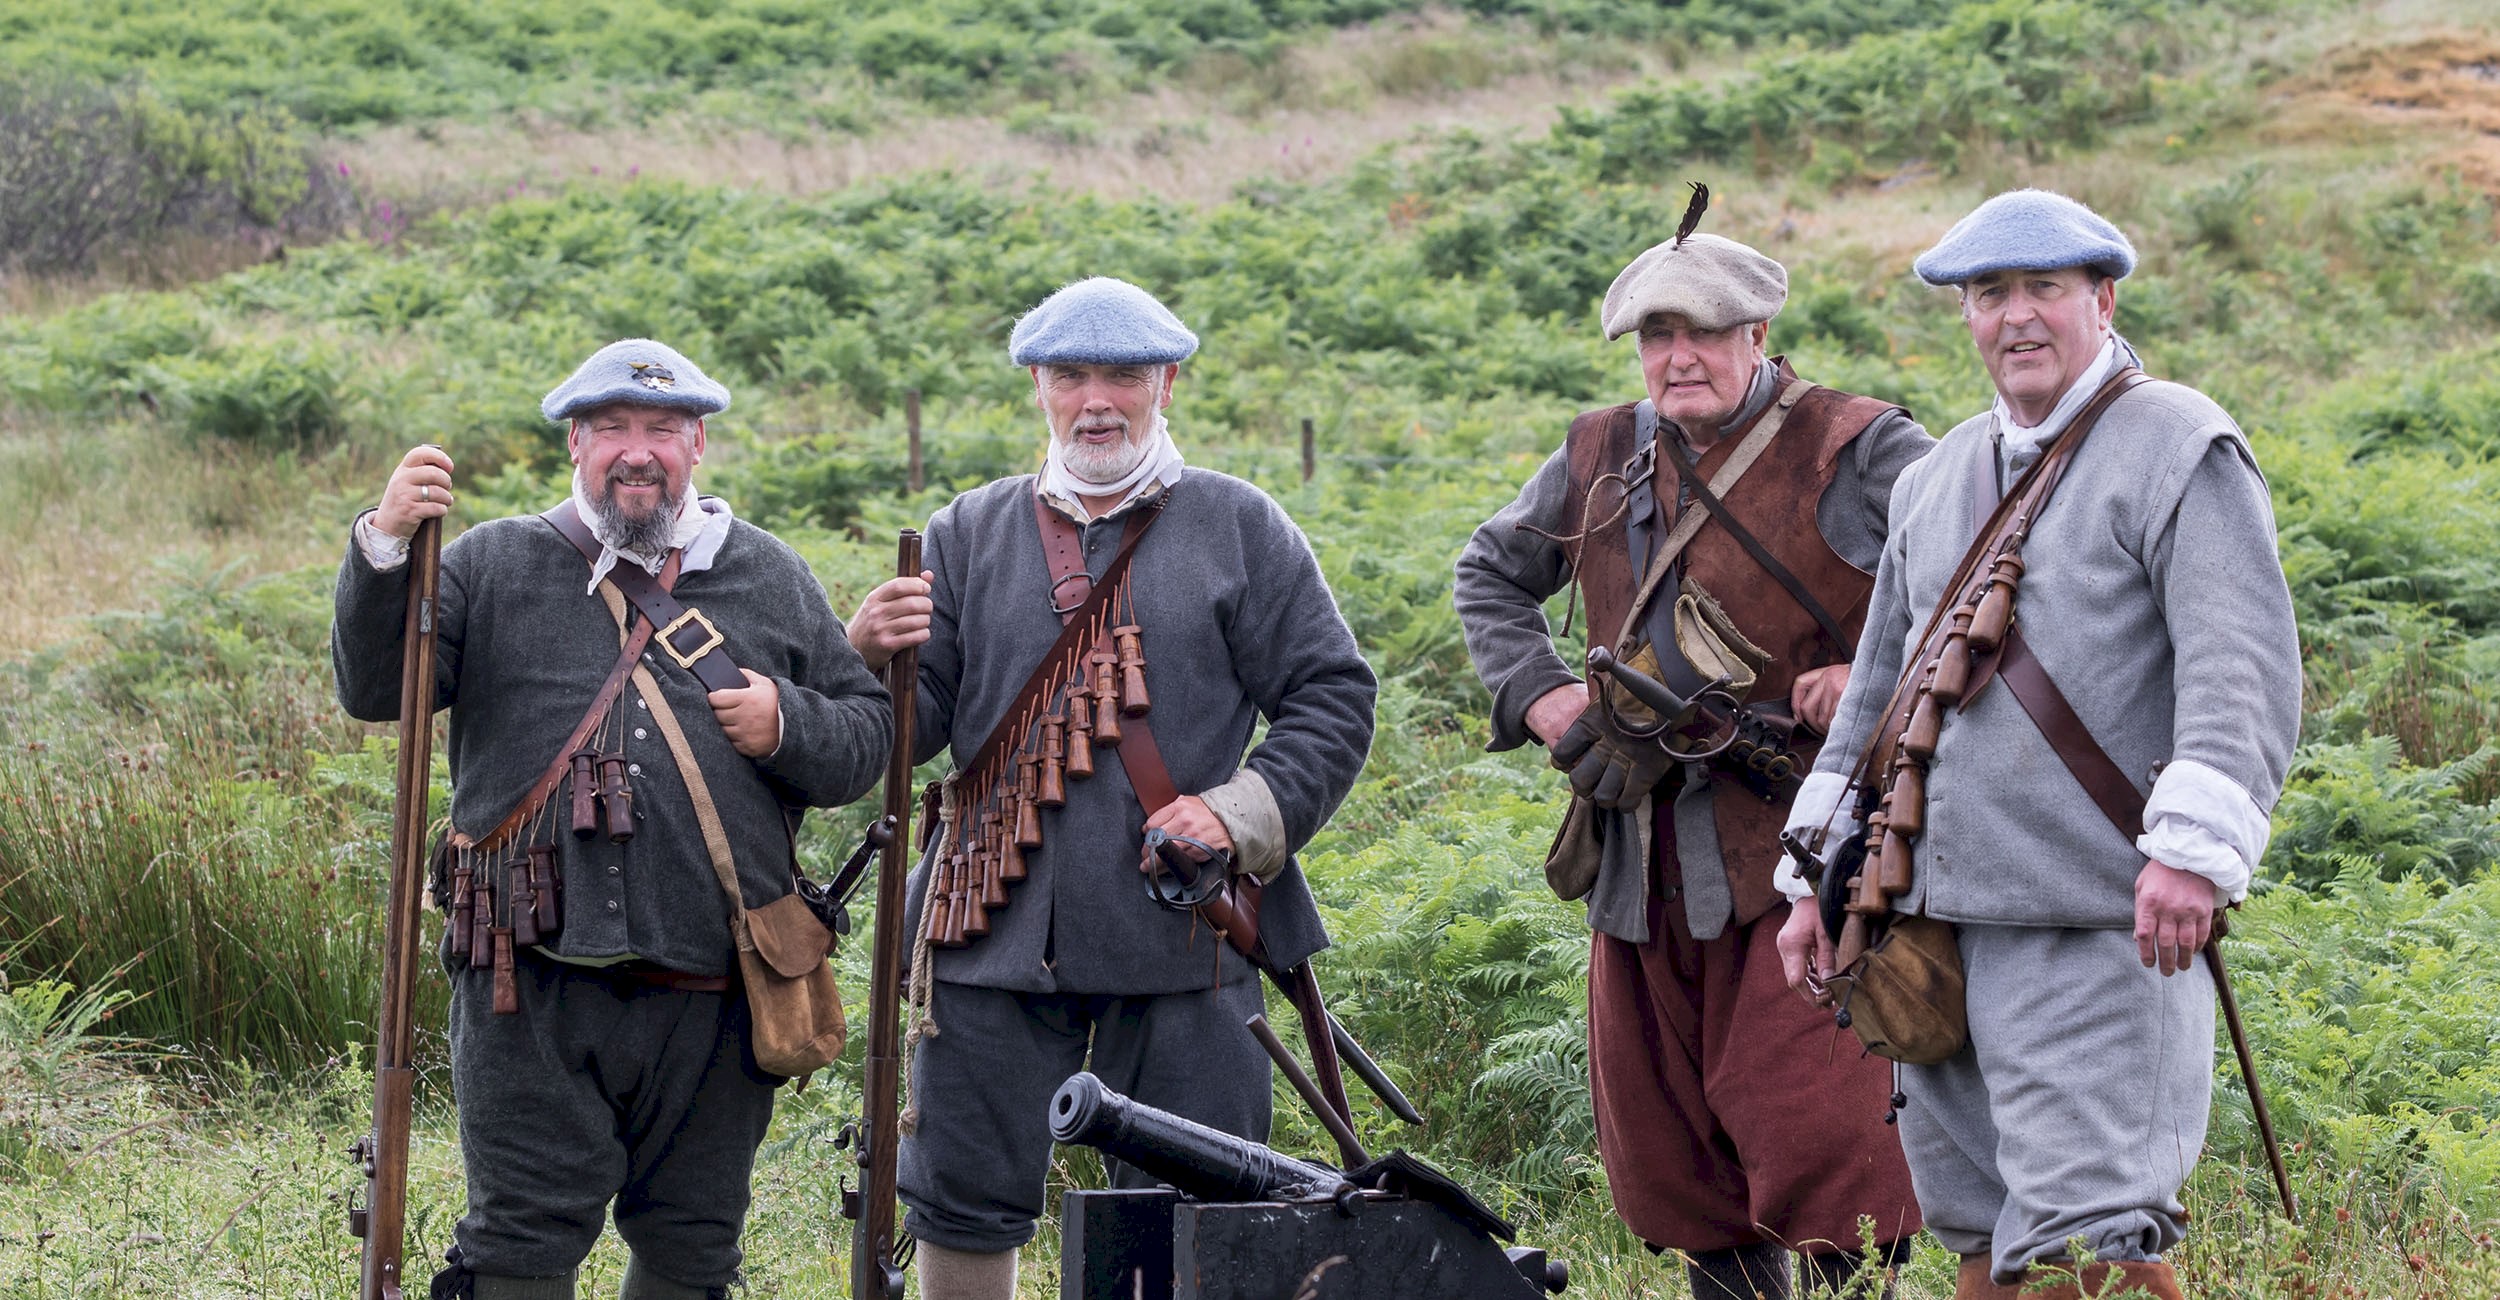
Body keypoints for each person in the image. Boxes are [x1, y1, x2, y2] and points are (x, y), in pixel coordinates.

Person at [1775, 190, 2303, 1300]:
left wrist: (2191, 854)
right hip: (1932, 930)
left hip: (2096, 926)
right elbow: (1876, 688)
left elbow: (2238, 667)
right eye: (1988, 295)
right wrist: (1811, 881)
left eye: (2042, 290)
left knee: (2088, 1237)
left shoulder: (2176, 443)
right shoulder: (1939, 474)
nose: (2015, 316)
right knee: (1983, 1235)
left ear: (2099, 299)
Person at [845, 277, 1377, 1300]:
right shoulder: (962, 531)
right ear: (1038, 386)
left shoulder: (1239, 525)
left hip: (1181, 930)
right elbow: (914, 733)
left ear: (1164, 382)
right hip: (986, 931)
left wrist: (1236, 813)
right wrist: (867, 658)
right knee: (957, 1194)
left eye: (1122, 375)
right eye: (1071, 375)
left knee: (1189, 1210)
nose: (1097, 399)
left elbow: (1331, 695)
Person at [332, 339, 893, 1300]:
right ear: (576, 447)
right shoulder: (492, 562)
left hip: (716, 988)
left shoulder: (768, 574)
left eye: (664, 431)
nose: (639, 452)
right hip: (525, 990)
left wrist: (782, 722)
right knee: (516, 1246)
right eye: (614, 430)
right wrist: (384, 543)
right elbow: (379, 687)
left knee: (692, 1249)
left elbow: (866, 737)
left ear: (699, 444)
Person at [1454, 216, 1930, 1298]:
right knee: (1674, 1153)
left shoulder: (1858, 447)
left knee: (1828, 1144)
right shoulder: (1598, 452)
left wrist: (1873, 679)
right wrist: (1545, 699)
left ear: (1756, 331)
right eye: (1656, 335)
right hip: (1640, 858)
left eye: (1704, 332)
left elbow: (1984, 566)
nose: (1678, 357)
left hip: (1807, 860)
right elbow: (1489, 572)